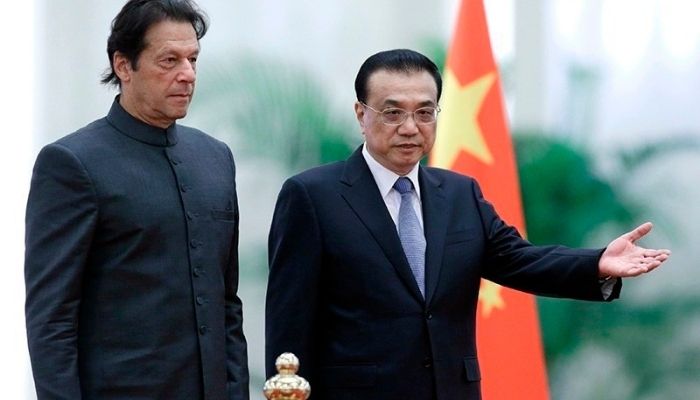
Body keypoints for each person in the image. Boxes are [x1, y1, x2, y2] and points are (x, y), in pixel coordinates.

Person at [264, 49, 670, 400]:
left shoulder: (459, 194)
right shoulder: (313, 195)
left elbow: (519, 259)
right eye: (392, 113)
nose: (410, 127)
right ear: (361, 114)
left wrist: (597, 262)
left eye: (425, 112)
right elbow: (289, 320)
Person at [24, 1, 249, 399]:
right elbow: (52, 320)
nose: (187, 75)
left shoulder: (215, 157)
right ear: (124, 66)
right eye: (169, 61)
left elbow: (226, 305)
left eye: (193, 59)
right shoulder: (72, 163)